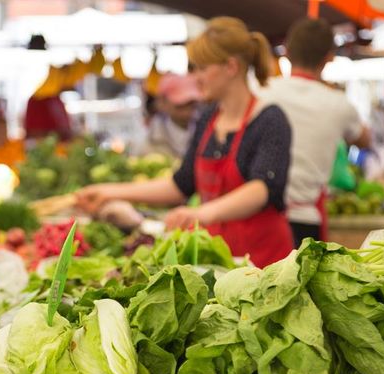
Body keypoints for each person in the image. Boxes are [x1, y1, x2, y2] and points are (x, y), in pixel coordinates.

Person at [76, 17, 293, 268]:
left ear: (230, 67)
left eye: (202, 68)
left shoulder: (270, 119)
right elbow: (181, 184)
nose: (196, 77)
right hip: (217, 260)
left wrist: (199, 213)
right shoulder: (208, 120)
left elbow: (262, 189)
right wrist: (108, 191)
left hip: (264, 262)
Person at [258, 17, 370, 247]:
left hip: (259, 216)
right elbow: (364, 139)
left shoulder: (261, 91)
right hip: (305, 221)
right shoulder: (339, 104)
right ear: (329, 58)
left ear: (286, 52)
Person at [131, 74, 202, 158]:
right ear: (162, 102)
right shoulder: (149, 140)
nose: (187, 108)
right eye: (180, 104)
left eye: (191, 102)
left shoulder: (208, 131)